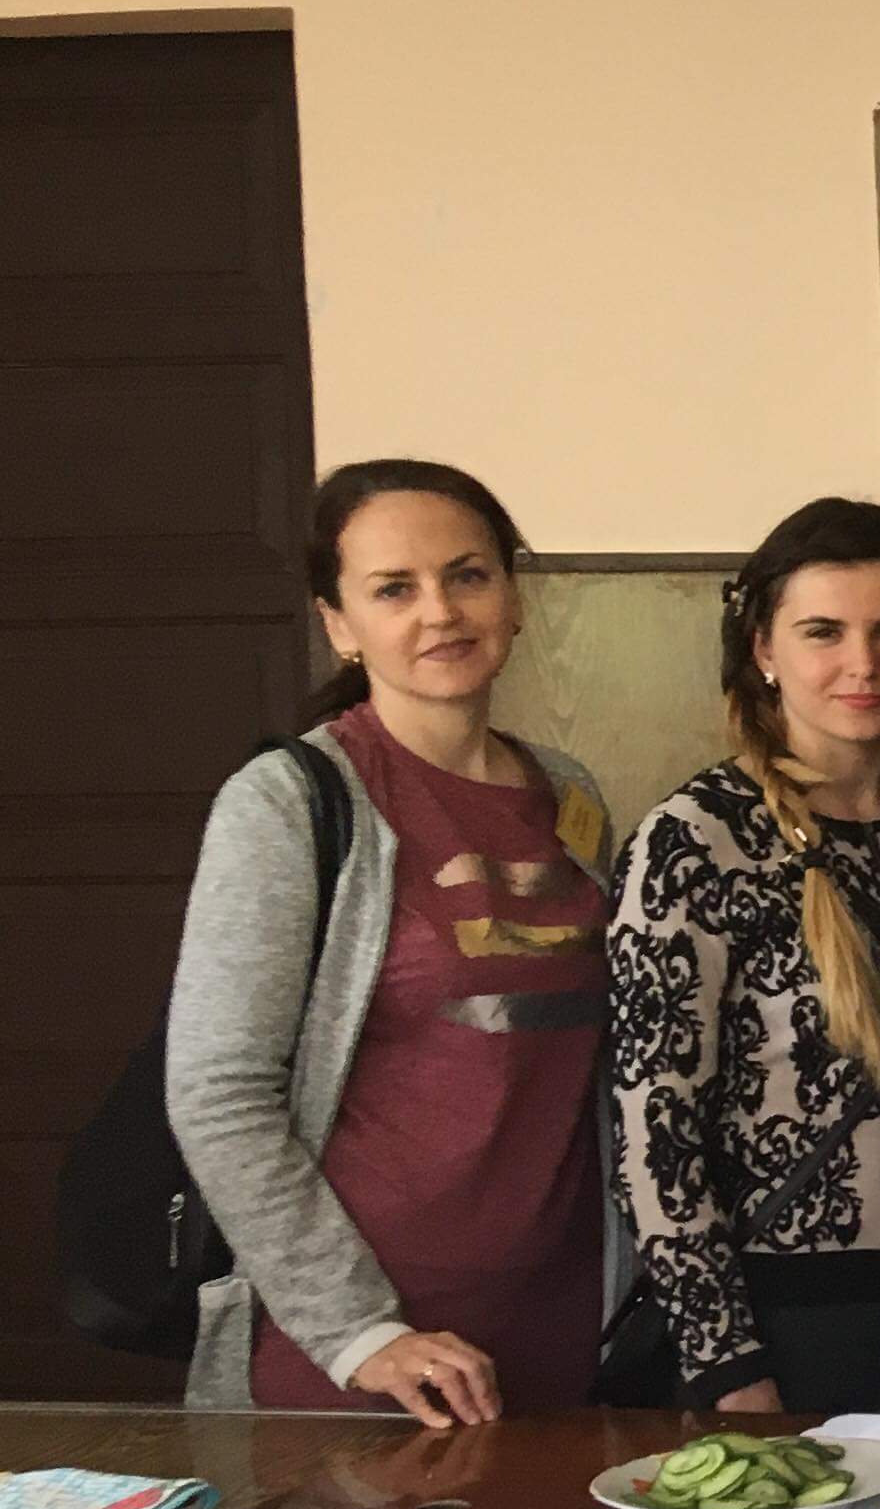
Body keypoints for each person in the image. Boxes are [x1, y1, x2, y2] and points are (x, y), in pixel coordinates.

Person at [164, 459, 617, 1423]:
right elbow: (218, 1091)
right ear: (338, 623)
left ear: (513, 598)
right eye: (393, 590)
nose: (440, 612)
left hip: (565, 1324)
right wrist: (356, 1332)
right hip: (367, 1353)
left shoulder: (571, 794)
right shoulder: (289, 802)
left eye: (468, 575)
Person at [605, 499, 880, 1415]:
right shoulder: (692, 843)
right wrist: (725, 1361)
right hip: (779, 1320)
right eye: (823, 632)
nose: (863, 665)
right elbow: (654, 1125)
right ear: (763, 647)